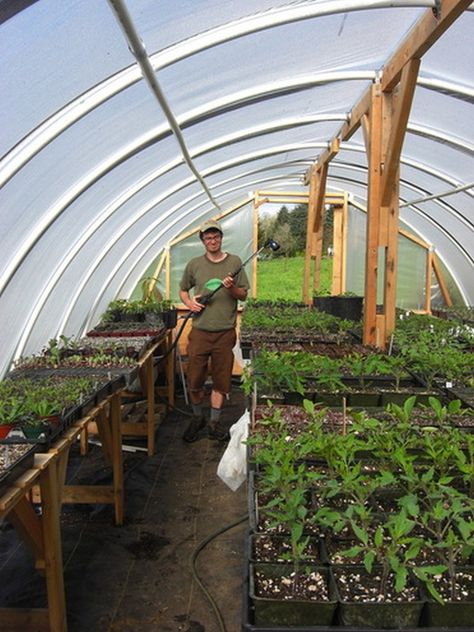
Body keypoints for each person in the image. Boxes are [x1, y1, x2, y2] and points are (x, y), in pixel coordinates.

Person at [179, 219, 250, 442]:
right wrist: (190, 303)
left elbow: (243, 295)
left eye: (216, 236)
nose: (212, 240)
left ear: (221, 238)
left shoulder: (235, 262)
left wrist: (232, 288)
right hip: (200, 331)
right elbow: (182, 290)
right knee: (195, 379)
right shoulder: (194, 264)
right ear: (203, 241)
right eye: (208, 237)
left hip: (224, 332)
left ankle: (214, 423)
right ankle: (197, 418)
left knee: (221, 380)